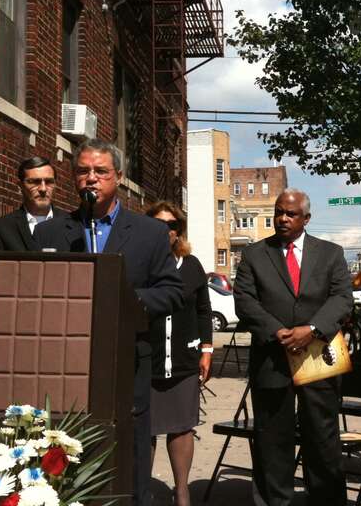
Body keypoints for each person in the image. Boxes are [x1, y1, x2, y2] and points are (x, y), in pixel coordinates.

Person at [34, 139, 183, 506]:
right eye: (83, 171)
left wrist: (126, 300)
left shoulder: (148, 233)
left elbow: (172, 290)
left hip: (126, 360)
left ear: (118, 177)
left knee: (129, 459)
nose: (91, 179)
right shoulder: (51, 233)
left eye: (100, 172)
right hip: (66, 365)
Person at [233, 188, 353, 506]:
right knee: (272, 439)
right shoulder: (255, 255)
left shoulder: (331, 253)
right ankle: (275, 501)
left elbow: (342, 298)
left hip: (318, 358)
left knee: (323, 439)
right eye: (278, 212)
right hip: (272, 359)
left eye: (291, 214)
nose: (282, 219)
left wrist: (311, 330)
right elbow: (244, 301)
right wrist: (278, 332)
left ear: (306, 218)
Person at [145, 201, 212, 506]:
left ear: (179, 230)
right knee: (144, 429)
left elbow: (203, 311)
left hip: (184, 360)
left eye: (172, 225)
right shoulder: (139, 262)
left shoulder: (192, 265)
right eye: (159, 224)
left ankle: (182, 490)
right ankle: (141, 488)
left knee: (181, 426)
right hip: (147, 359)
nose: (166, 230)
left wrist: (206, 350)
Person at [0, 156, 67, 250]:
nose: (43, 189)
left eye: (49, 182)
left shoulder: (72, 225)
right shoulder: (0, 228)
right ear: (20, 186)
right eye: (35, 182)